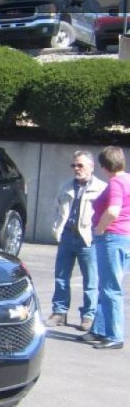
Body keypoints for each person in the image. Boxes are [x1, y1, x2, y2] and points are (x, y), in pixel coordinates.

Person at [46, 151, 105, 330]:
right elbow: (57, 207)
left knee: (90, 279)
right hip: (67, 236)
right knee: (61, 276)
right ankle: (59, 312)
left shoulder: (101, 188)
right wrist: (56, 227)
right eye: (74, 165)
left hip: (88, 238)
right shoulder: (66, 186)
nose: (76, 169)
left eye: (80, 165)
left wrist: (97, 232)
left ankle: (88, 316)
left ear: (91, 167)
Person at [80, 146, 130, 350]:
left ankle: (115, 335)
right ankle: (100, 329)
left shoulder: (117, 182)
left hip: (112, 237)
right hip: (122, 237)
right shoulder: (127, 179)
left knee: (111, 288)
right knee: (108, 284)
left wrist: (100, 229)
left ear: (103, 165)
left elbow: (113, 210)